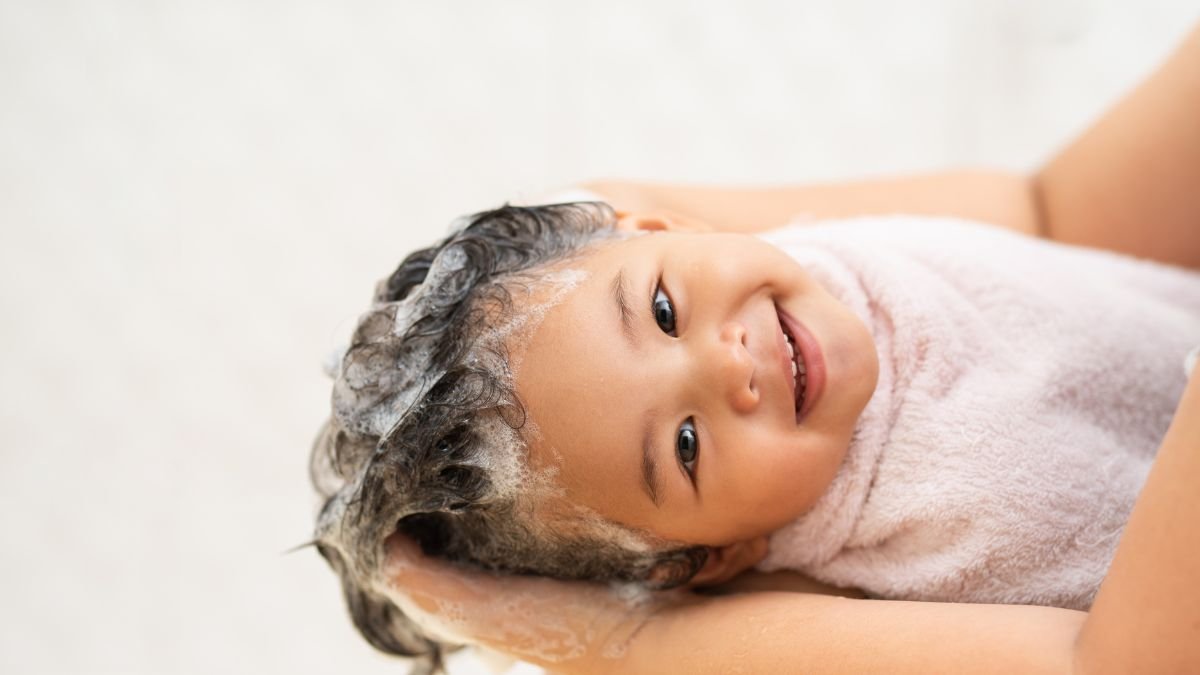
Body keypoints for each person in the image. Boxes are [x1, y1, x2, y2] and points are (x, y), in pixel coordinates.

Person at [312, 24, 1200, 674]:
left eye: (663, 310)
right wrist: (618, 639)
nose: (728, 364)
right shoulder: (850, 576)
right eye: (687, 447)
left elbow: (1052, 216)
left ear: (661, 227)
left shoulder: (833, 257)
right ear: (719, 556)